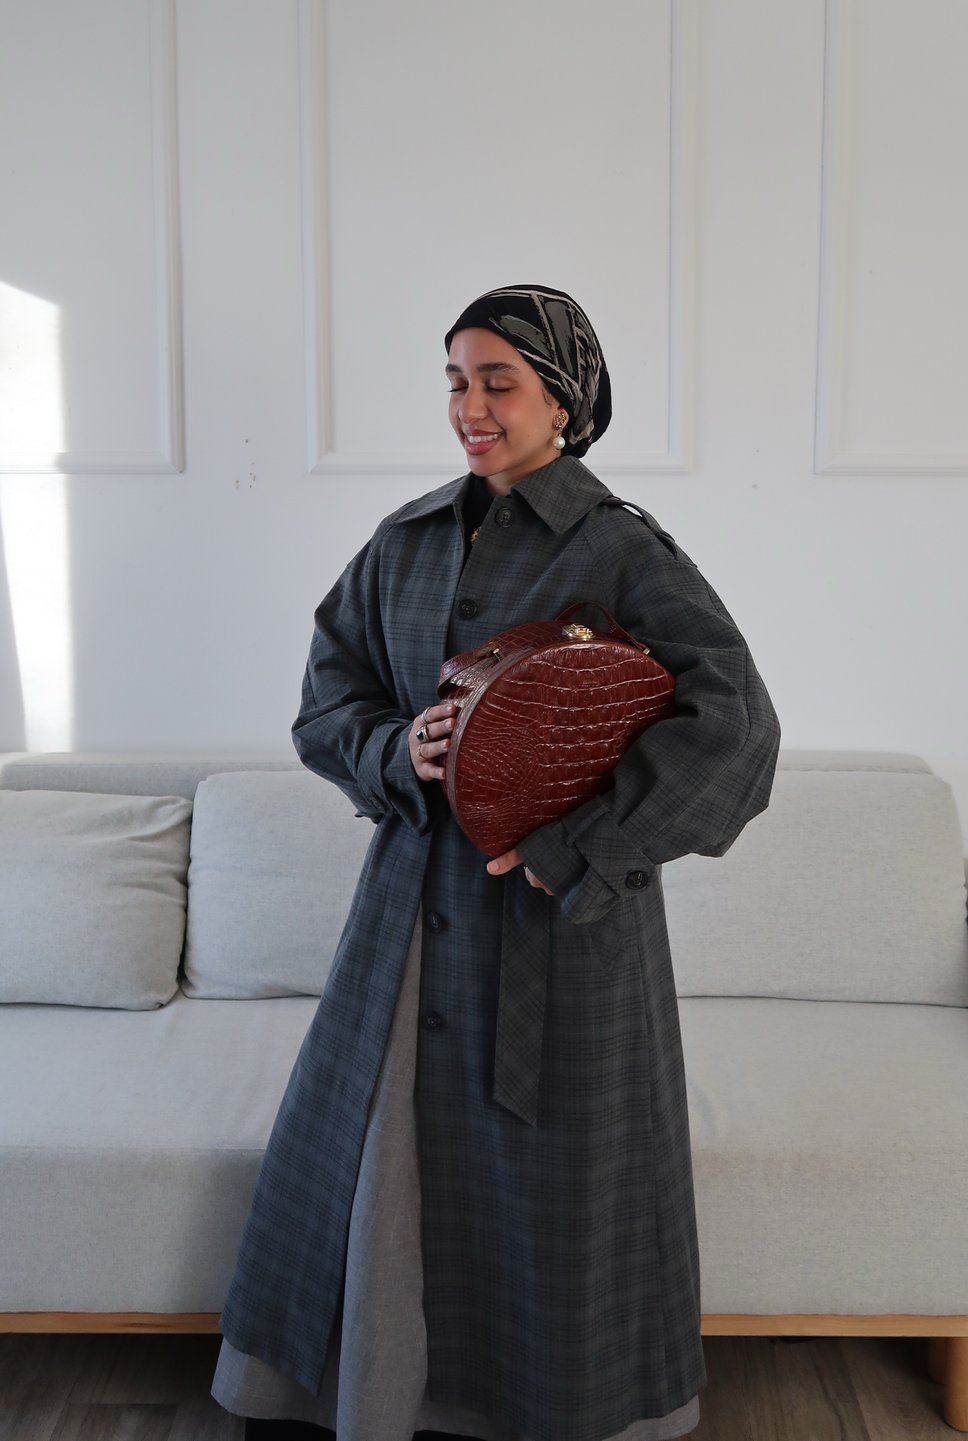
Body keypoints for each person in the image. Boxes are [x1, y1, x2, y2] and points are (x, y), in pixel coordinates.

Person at [210, 284, 781, 1441]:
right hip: (406, 914)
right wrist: (393, 748)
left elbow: (736, 727)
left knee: (554, 1183)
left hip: (563, 933)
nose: (471, 408)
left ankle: (556, 1411)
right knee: (385, 1159)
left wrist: (579, 844)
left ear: (563, 399)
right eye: (456, 382)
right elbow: (328, 705)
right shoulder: (406, 541)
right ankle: (381, 1393)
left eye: (498, 382)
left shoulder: (620, 549)